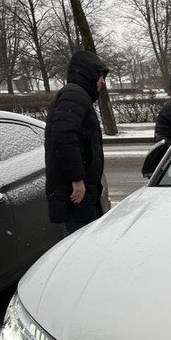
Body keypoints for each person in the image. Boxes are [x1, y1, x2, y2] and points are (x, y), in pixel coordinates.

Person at [44, 50, 108, 235]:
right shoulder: (74, 94)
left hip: (80, 194)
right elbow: (63, 135)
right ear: (87, 73)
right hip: (76, 195)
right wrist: (77, 178)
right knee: (81, 242)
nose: (102, 81)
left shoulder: (77, 95)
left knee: (83, 240)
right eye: (99, 75)